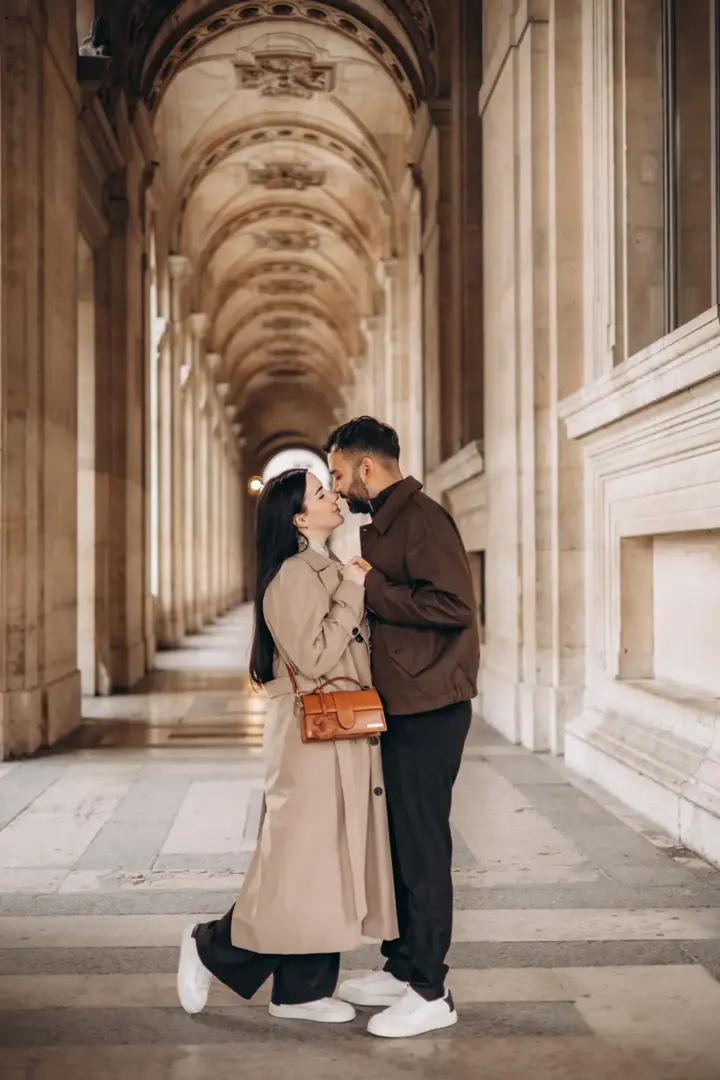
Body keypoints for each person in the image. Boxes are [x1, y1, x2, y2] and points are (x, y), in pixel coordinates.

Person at [176, 468, 397, 1024]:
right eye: (321, 494)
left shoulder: (320, 568)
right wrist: (353, 588)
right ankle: (211, 945)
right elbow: (316, 656)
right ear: (299, 519)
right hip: (310, 736)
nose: (334, 498)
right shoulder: (296, 575)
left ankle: (300, 991)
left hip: (338, 728)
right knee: (300, 861)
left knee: (325, 861)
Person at [325, 417, 480, 1039]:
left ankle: (430, 990)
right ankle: (403, 964)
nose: (334, 488)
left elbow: (454, 606)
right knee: (398, 844)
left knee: (422, 846)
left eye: (337, 474)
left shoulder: (422, 519)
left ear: (367, 467)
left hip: (430, 709)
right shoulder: (391, 518)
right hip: (402, 705)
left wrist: (371, 587)